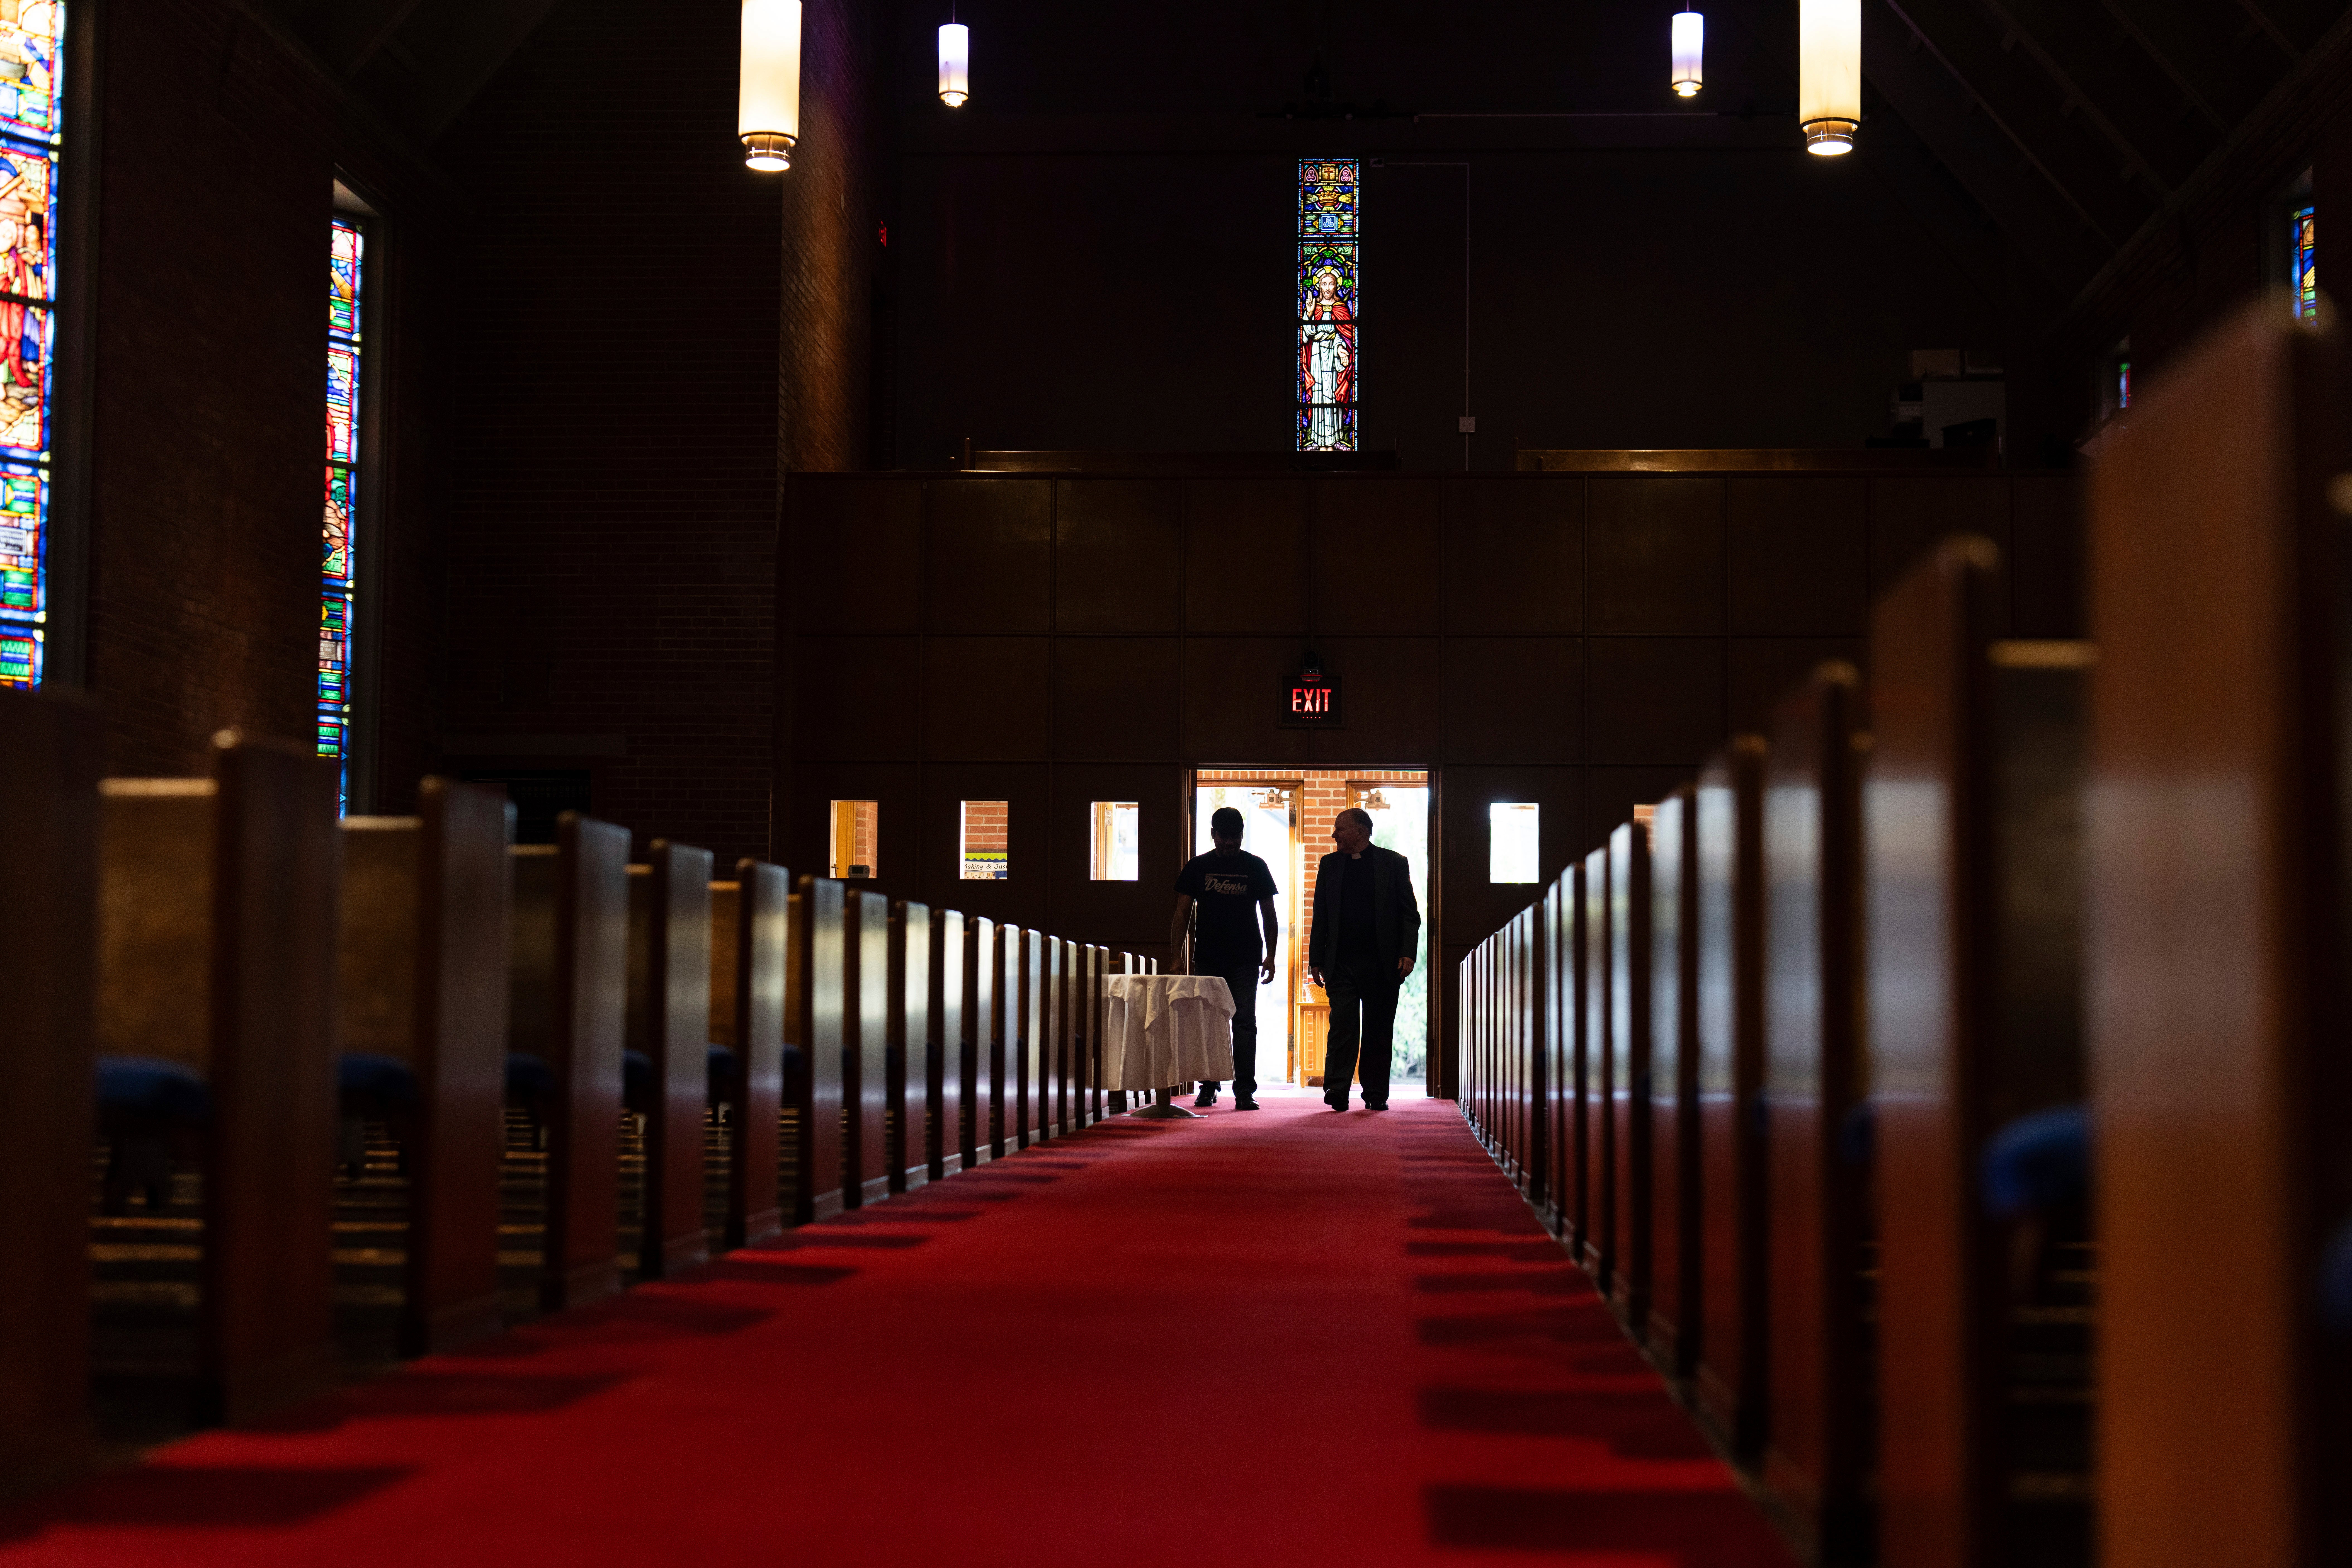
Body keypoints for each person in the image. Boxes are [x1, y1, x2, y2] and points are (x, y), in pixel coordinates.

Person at [1306, 807, 1419, 1111]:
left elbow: (1410, 915)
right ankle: (1337, 1089)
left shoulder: (1393, 863)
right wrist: (1315, 959)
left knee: (1378, 1030)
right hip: (1341, 963)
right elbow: (1321, 915)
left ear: (1361, 832)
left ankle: (1376, 1094)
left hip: (1383, 963)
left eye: (1340, 829)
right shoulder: (1329, 864)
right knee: (1342, 1025)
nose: (1335, 836)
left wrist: (1408, 953)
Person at [1169, 806, 1279, 1110]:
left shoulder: (1256, 867)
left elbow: (1269, 914)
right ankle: (1208, 1086)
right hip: (1208, 957)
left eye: (1235, 837)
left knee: (1244, 1022)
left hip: (1246, 958)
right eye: (1224, 837)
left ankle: (1244, 1090)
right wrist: (1176, 956)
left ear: (1242, 835)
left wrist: (1271, 956)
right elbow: (1182, 913)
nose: (1230, 843)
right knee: (1208, 1022)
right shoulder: (1197, 867)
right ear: (1213, 835)